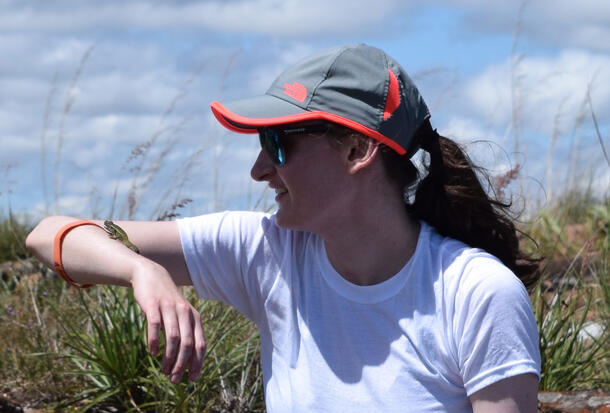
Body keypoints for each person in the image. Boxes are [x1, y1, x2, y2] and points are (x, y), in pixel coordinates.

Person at [26, 44, 541, 412]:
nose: (258, 169)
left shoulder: (476, 294)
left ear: (358, 150)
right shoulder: (267, 251)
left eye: (278, 143)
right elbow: (50, 235)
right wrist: (142, 271)